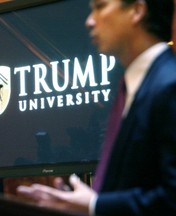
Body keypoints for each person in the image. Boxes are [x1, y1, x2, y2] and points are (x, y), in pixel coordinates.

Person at [17, 0, 176, 215]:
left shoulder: (169, 84)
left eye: (100, 7)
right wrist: (86, 203)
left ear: (137, 11)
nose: (89, 21)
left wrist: (95, 205)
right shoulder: (133, 85)